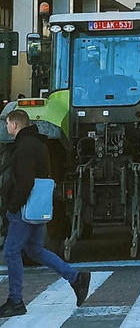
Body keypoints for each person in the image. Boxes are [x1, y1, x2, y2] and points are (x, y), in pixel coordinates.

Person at [0, 110, 90, 317]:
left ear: (14, 124)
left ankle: (15, 301)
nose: (6, 127)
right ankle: (76, 278)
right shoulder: (38, 144)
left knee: (11, 252)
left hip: (24, 209)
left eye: (7, 123)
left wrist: (12, 207)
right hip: (36, 207)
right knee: (35, 250)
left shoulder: (24, 147)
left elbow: (24, 181)